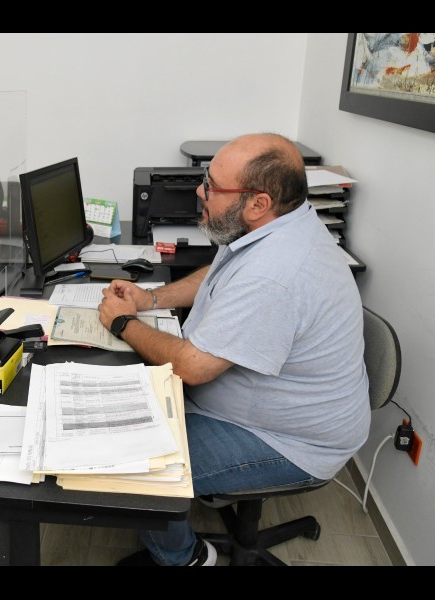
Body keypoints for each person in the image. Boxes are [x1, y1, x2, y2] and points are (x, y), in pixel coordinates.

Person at [99, 133, 370, 566]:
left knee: (133, 466)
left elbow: (192, 367)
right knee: (127, 412)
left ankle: (187, 558)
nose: (199, 191)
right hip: (270, 409)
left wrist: (122, 322)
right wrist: (150, 300)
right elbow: (219, 272)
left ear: (259, 203)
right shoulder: (280, 225)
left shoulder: (275, 275)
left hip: (288, 441)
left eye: (211, 186)